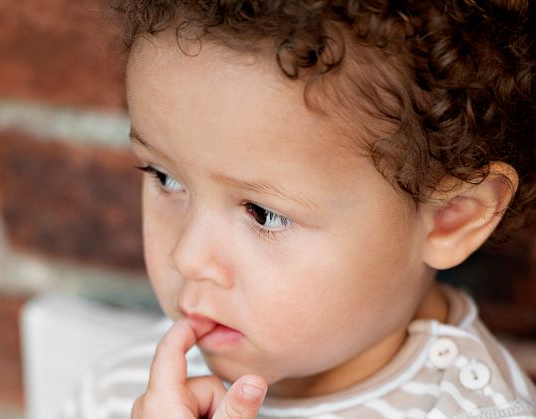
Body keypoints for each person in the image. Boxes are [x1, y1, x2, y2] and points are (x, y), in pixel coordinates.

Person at [65, 1, 536, 418]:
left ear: (450, 217)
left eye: (263, 213)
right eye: (166, 178)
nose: (187, 258)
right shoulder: (135, 389)